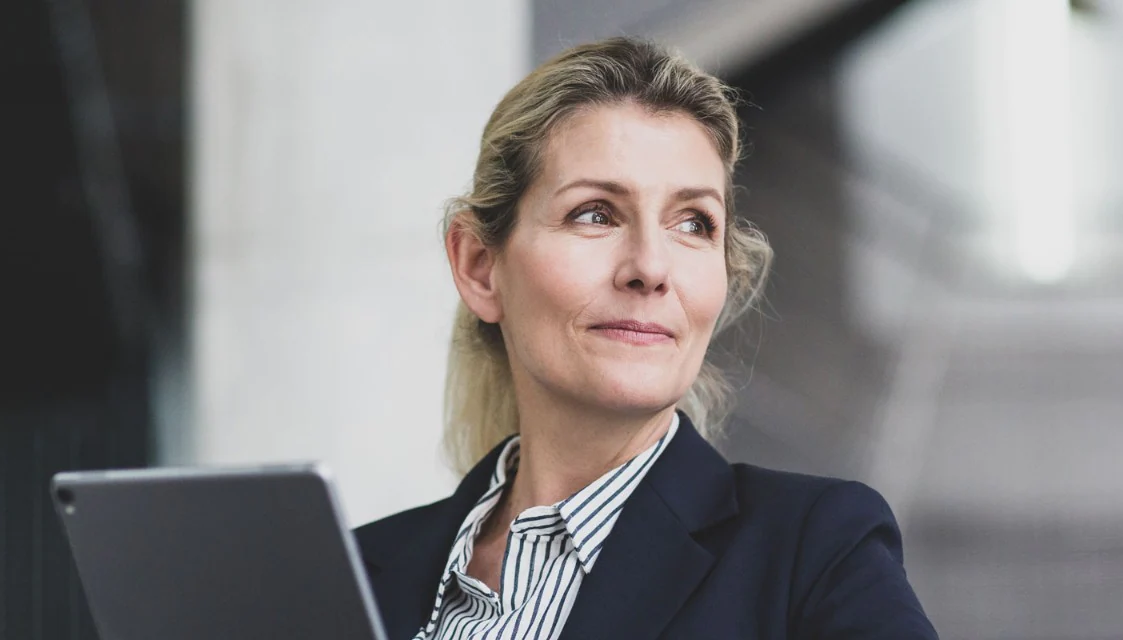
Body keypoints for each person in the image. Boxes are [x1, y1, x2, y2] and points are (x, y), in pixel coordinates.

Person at [352, 38, 938, 639]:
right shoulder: (354, 575)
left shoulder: (813, 552)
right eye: (596, 213)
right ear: (479, 265)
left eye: (693, 223)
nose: (650, 267)